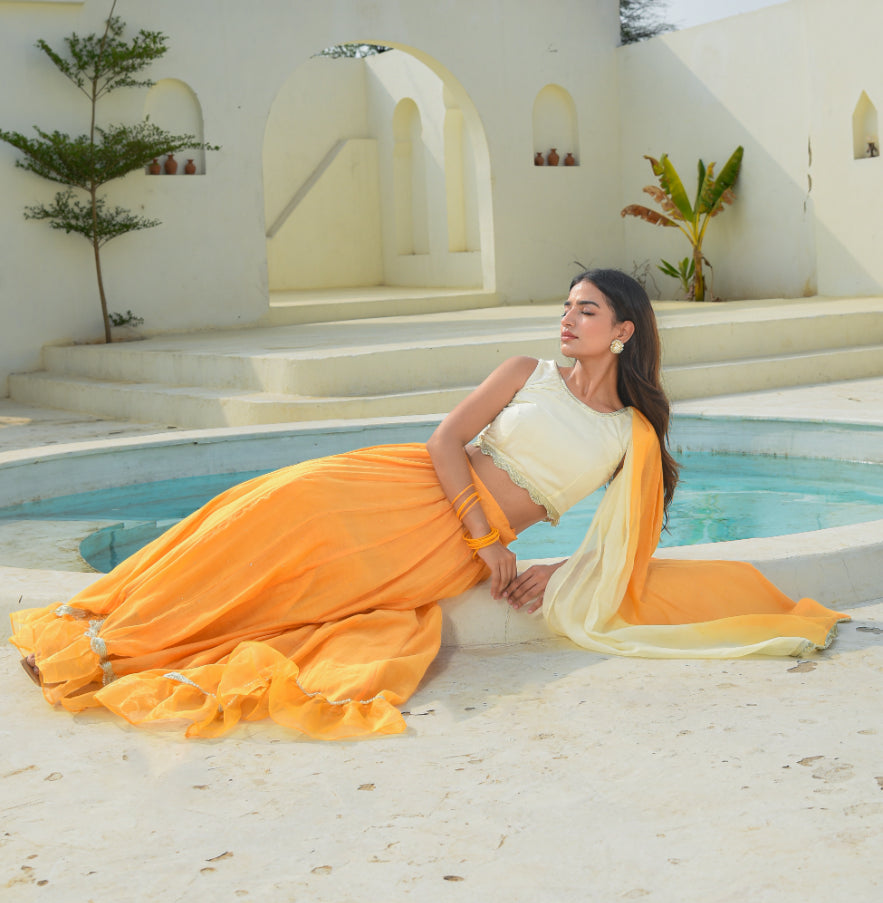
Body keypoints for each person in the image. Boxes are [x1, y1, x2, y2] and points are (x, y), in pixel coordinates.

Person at [11, 268, 846, 741]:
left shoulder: (631, 433)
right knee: (259, 513)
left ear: (623, 329)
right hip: (405, 487)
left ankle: (125, 648)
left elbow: (629, 539)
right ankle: (101, 634)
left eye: (585, 309)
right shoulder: (524, 371)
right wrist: (487, 540)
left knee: (297, 591)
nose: (566, 319)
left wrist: (554, 566)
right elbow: (446, 439)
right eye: (564, 306)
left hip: (438, 548)